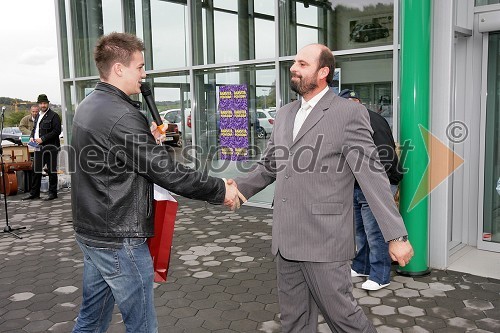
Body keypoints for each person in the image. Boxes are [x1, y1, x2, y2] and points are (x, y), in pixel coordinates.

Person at [231, 44, 414, 332]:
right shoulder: (285, 113)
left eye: (302, 64)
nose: (293, 67)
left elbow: (372, 176)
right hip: (285, 239)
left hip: (324, 240)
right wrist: (237, 190)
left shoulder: (347, 113)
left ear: (323, 72)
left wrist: (396, 236)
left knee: (344, 319)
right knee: (294, 321)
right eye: (294, 62)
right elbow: (269, 165)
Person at [70, 32, 239, 333]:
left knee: (90, 321)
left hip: (93, 231)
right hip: (119, 237)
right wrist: (220, 189)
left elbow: (116, 159)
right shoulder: (122, 116)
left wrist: (147, 141)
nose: (144, 74)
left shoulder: (89, 104)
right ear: (119, 69)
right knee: (143, 326)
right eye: (140, 66)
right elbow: (167, 172)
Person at [339, 89, 403, 291]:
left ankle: (380, 276)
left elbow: (384, 155)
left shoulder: (372, 120)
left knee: (375, 232)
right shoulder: (350, 122)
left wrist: (374, 185)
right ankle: (362, 266)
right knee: (361, 231)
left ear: (357, 102)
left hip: (376, 185)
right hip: (357, 184)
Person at [22, 94, 61, 201]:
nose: (43, 105)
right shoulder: (38, 115)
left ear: (48, 104)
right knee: (36, 170)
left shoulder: (54, 116)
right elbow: (34, 129)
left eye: (45, 103)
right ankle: (34, 193)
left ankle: (52, 193)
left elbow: (57, 131)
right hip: (39, 147)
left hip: (51, 148)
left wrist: (42, 139)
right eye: (41, 103)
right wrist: (31, 137)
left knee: (51, 171)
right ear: (38, 104)